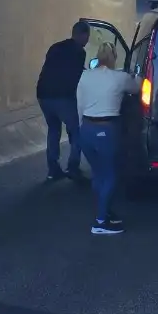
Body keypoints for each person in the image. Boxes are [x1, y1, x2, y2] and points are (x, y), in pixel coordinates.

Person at [76, 41, 140, 235]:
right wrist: (137, 76)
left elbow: (80, 103)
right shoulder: (119, 77)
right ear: (114, 58)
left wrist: (81, 128)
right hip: (107, 129)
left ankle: (105, 211)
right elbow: (136, 89)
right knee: (111, 174)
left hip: (86, 128)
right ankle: (101, 221)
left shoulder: (85, 75)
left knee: (98, 173)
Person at [35, 20, 90, 182]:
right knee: (76, 131)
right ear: (82, 35)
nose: (87, 41)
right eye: (87, 37)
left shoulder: (55, 47)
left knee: (53, 129)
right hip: (62, 97)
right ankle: (73, 167)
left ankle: (53, 169)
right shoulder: (79, 52)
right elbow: (77, 76)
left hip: (43, 94)